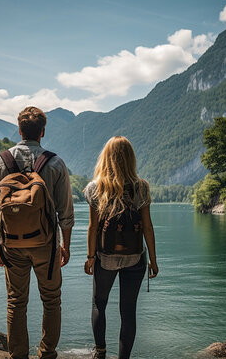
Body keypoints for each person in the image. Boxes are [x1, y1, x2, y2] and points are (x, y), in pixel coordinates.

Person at [0, 106, 74, 359]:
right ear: (42, 132)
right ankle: (47, 354)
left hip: (11, 244)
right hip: (46, 244)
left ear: (20, 129)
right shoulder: (55, 163)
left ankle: (18, 356)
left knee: (16, 302)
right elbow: (66, 213)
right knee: (51, 301)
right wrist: (64, 245)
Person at [83, 136, 159, 359]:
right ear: (130, 158)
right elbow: (147, 227)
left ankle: (100, 353)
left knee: (99, 303)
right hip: (135, 257)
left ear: (105, 158)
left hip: (105, 257)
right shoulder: (141, 187)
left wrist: (90, 257)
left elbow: (93, 227)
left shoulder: (95, 188)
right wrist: (153, 260)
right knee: (128, 311)